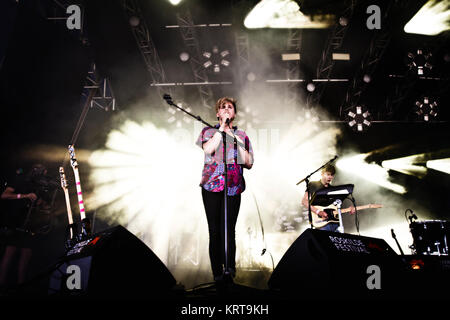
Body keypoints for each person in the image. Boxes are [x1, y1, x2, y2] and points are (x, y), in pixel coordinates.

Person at [196, 97, 254, 284]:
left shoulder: (242, 135)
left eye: (230, 107)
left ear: (235, 114)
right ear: (218, 113)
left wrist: (235, 139)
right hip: (211, 186)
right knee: (214, 231)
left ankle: (230, 269)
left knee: (229, 230)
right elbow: (208, 149)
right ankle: (217, 273)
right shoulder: (208, 131)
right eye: (223, 107)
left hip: (233, 187)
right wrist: (221, 130)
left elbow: (249, 162)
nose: (227, 109)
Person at [0, 164, 51, 289]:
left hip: (30, 225)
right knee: (9, 254)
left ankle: (21, 288)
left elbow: (46, 207)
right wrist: (25, 196)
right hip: (16, 222)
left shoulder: (41, 188)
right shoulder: (20, 181)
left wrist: (42, 204)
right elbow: (4, 195)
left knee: (25, 257)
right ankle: (1, 286)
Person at [301, 164, 354, 232]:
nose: (330, 177)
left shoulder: (332, 189)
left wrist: (349, 209)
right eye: (328, 174)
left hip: (335, 223)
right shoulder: (313, 184)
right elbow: (304, 201)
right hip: (321, 223)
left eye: (332, 175)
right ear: (322, 174)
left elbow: (335, 206)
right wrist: (318, 212)